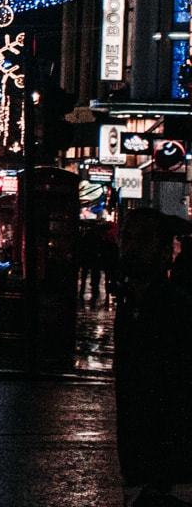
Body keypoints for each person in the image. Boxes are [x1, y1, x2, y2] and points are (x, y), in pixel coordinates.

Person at [114, 208, 192, 504]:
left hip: (167, 478)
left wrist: (163, 479)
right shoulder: (129, 306)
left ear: (163, 251)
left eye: (143, 240)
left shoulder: (176, 310)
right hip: (139, 470)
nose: (131, 247)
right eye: (127, 237)